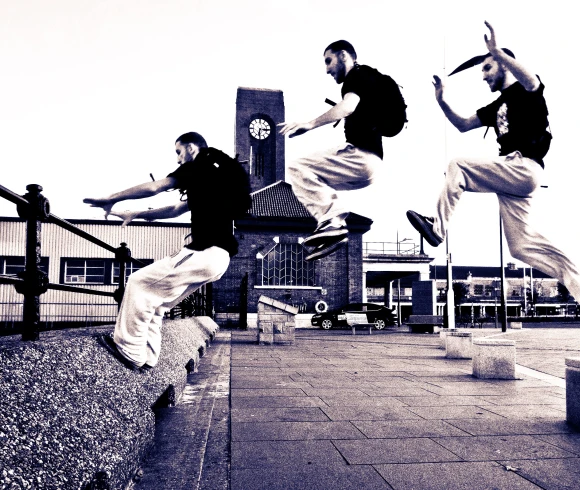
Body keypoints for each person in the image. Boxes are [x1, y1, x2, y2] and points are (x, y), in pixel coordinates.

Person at [406, 21, 580, 320]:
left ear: (502, 65)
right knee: (520, 246)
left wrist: (496, 50)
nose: (483, 77)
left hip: (524, 166)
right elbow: (462, 125)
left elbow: (531, 78)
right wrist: (442, 101)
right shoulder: (496, 106)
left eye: (487, 69)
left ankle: (437, 228)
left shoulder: (526, 89)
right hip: (512, 179)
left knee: (458, 165)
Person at [83, 132, 250, 370]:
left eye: (178, 152)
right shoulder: (221, 172)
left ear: (191, 148)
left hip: (204, 251)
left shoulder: (199, 164)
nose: (178, 160)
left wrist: (112, 198)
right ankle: (149, 357)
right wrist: (136, 214)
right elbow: (174, 209)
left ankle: (129, 351)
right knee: (159, 303)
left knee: (139, 282)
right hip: (220, 258)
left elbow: (155, 187)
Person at [280, 40, 398, 261]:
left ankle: (333, 221)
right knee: (313, 181)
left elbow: (347, 107)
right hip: (372, 169)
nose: (327, 70)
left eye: (328, 61)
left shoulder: (356, 76)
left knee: (297, 167)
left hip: (359, 157)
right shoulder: (372, 79)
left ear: (344, 55)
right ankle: (332, 228)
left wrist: (309, 124)